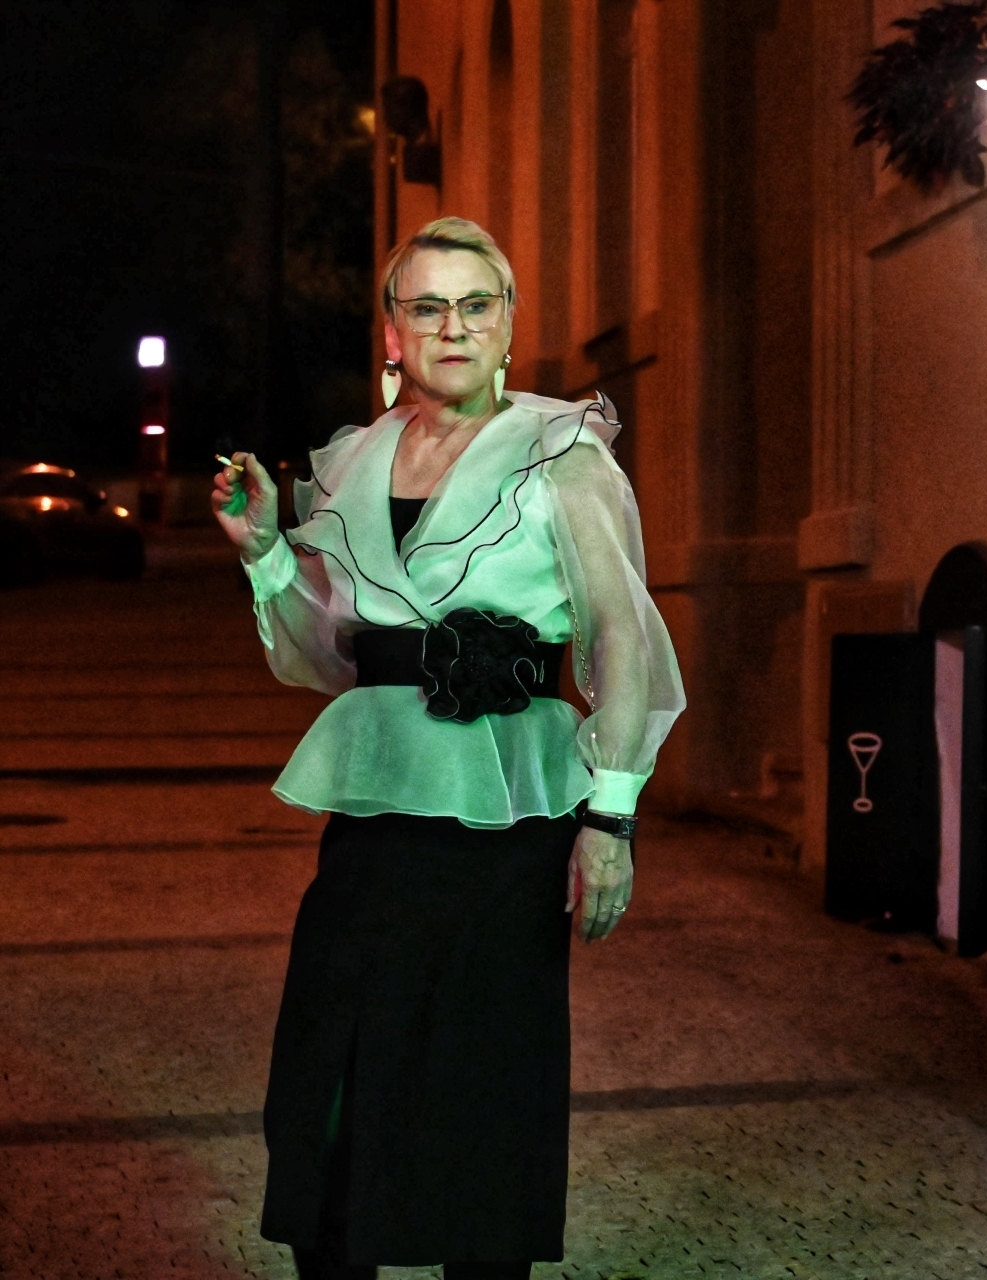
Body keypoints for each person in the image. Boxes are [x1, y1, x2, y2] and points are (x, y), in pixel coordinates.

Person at [212, 216, 684, 1280]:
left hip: (508, 818)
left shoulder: (563, 454)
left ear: (508, 322)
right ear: (394, 331)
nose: (453, 326)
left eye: (476, 304)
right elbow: (331, 658)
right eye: (428, 307)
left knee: (483, 1073)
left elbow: (620, 636)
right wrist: (265, 551)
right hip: (377, 810)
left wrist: (611, 817)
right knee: (334, 1056)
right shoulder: (353, 461)